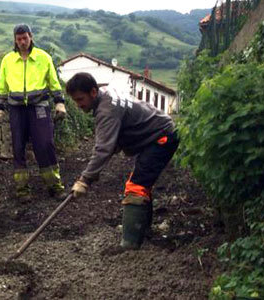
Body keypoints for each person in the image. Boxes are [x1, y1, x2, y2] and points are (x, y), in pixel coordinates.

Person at [66, 72, 179, 250]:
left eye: (80, 99)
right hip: (155, 135)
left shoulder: (106, 110)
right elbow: (112, 142)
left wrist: (85, 179)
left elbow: (103, 149)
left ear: (93, 92)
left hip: (161, 137)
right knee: (141, 184)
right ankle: (142, 230)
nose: (78, 105)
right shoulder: (106, 96)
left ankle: (130, 245)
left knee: (136, 187)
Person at [0, 24, 68, 201]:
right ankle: (22, 190)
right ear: (15, 40)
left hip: (39, 106)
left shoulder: (43, 57)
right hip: (16, 109)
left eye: (25, 38)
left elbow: (53, 82)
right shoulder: (8, 60)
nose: (22, 42)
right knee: (18, 148)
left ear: (31, 37)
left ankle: (55, 186)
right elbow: (2, 86)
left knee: (45, 145)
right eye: (18, 39)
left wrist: (60, 103)